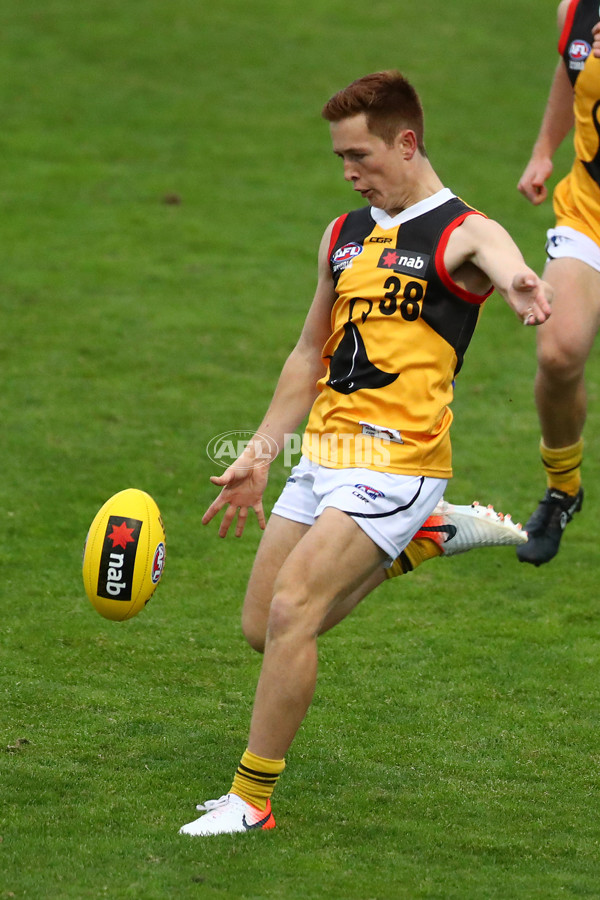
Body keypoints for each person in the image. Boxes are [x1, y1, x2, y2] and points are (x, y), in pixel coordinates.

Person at [179, 70, 552, 836]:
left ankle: (252, 802)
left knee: (295, 611)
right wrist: (258, 454)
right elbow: (308, 350)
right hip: (325, 454)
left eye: (361, 156)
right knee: (262, 626)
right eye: (341, 159)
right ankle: (424, 542)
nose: (350, 172)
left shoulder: (457, 232)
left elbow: (499, 250)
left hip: (399, 461)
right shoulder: (343, 235)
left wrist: (517, 281)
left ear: (406, 142)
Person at [516, 0, 600, 565]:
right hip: (589, 211)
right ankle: (563, 488)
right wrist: (545, 149)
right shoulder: (575, 9)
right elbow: (569, 73)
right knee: (558, 350)